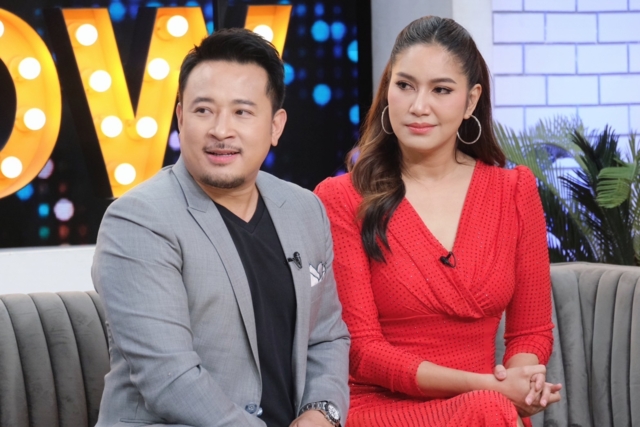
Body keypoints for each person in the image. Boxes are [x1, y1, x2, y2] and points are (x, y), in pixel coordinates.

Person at [92, 28, 349, 427]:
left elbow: (327, 338)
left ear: (276, 126)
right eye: (203, 110)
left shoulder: (304, 209)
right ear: (180, 118)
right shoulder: (139, 220)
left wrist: (322, 414)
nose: (221, 130)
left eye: (242, 112)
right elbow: (170, 380)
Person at [314, 16, 562, 427]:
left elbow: (530, 332)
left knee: (490, 411)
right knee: (488, 410)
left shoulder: (514, 191)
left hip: (486, 407)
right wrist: (489, 388)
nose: (418, 106)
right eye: (405, 85)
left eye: (441, 90)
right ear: (387, 90)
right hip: (378, 406)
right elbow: (362, 351)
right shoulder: (341, 198)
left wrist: (521, 383)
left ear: (470, 100)